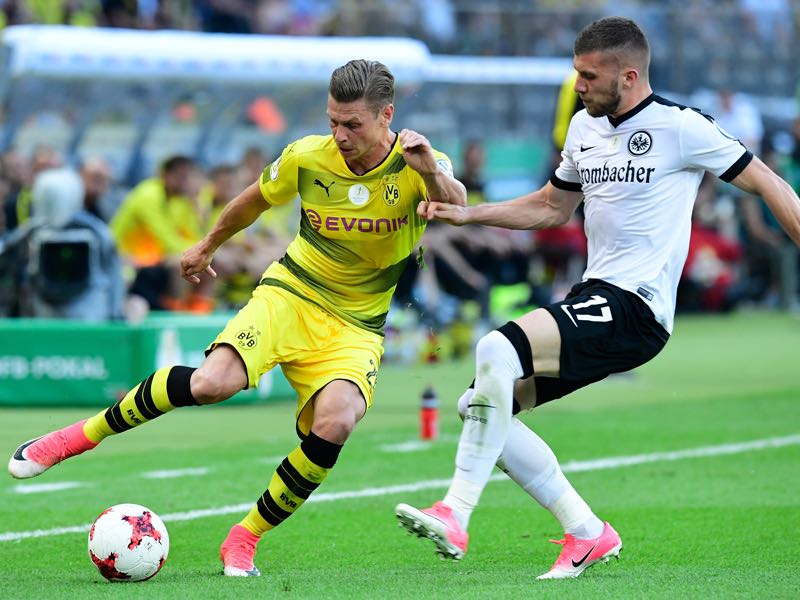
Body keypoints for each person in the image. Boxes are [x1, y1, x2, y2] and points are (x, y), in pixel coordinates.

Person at [8, 59, 466, 578]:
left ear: (387, 116)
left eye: (352, 124)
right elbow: (252, 200)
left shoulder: (420, 163)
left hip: (356, 323)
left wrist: (427, 168)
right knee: (210, 384)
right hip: (291, 292)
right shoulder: (307, 157)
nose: (338, 134)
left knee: (336, 422)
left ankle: (244, 537)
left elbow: (458, 204)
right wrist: (207, 245)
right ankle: (70, 440)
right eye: (332, 121)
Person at [395, 16, 800, 580]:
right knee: (479, 407)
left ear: (629, 76)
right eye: (576, 73)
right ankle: (587, 533)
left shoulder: (683, 127)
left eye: (588, 75)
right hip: (597, 296)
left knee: (496, 347)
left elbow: (769, 183)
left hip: (637, 306)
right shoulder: (584, 130)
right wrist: (468, 213)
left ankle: (455, 511)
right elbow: (550, 207)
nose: (578, 86)